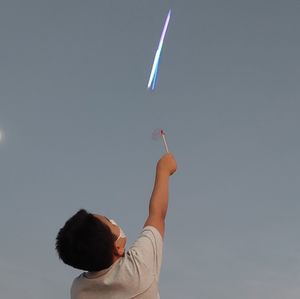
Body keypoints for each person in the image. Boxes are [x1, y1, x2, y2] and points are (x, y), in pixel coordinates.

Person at [56, 153, 177, 299]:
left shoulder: (79, 290)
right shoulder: (137, 269)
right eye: (109, 221)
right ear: (118, 248)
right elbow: (157, 215)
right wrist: (163, 171)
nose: (113, 220)